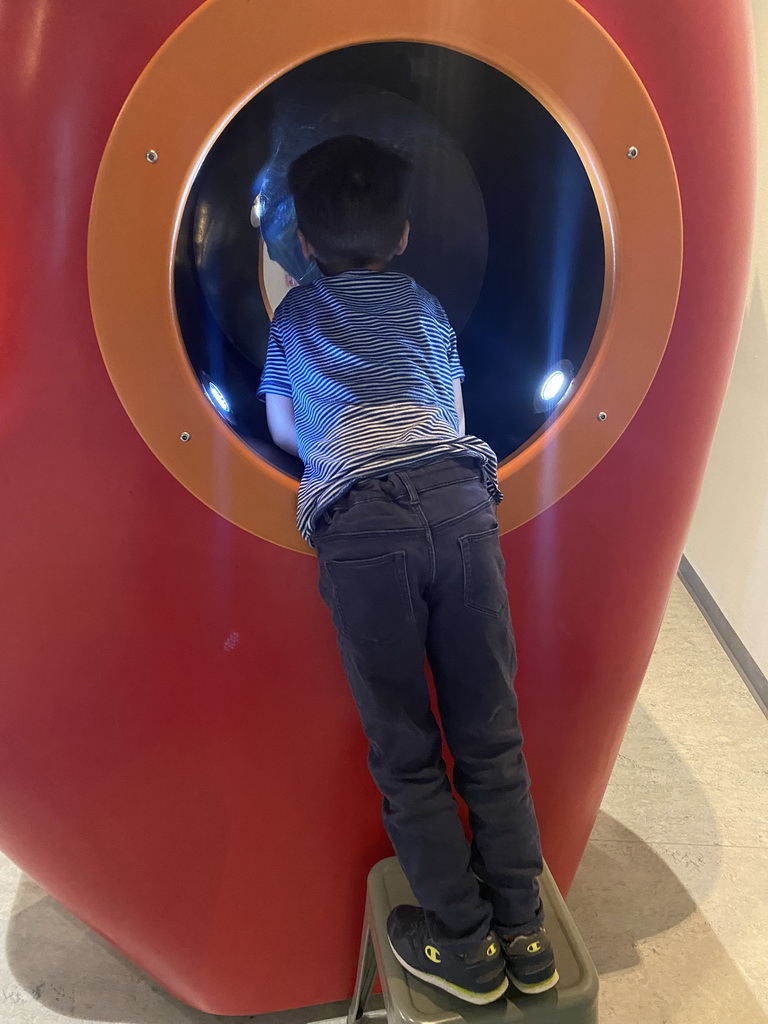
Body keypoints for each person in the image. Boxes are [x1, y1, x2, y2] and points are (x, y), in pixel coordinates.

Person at [258, 135, 558, 1005]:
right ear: (405, 235)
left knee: (407, 748)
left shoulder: (296, 319)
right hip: (462, 513)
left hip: (364, 531)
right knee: (490, 736)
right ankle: (525, 932)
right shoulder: (426, 305)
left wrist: (334, 437)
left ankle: (463, 950)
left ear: (304, 246)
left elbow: (283, 430)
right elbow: (454, 412)